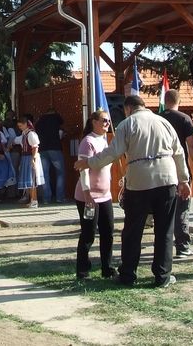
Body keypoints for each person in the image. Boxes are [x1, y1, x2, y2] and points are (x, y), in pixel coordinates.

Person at [75, 95, 191, 288]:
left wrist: (89, 162)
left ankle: (128, 275)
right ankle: (162, 276)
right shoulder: (163, 122)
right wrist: (184, 180)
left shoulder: (127, 124)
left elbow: (113, 153)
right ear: (144, 106)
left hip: (139, 181)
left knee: (132, 230)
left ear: (128, 109)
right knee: (164, 230)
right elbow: (178, 151)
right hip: (167, 179)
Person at [74, 110, 115, 280]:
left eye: (108, 121)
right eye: (104, 120)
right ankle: (82, 271)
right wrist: (87, 194)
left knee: (108, 232)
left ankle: (107, 268)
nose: (107, 123)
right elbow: (83, 169)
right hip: (88, 197)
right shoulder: (87, 142)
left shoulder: (104, 140)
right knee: (88, 234)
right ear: (94, 122)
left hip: (105, 196)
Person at [160, 89, 193, 257]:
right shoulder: (184, 119)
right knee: (182, 207)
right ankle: (182, 246)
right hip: (180, 168)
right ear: (179, 101)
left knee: (163, 210)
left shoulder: (158, 119)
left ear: (165, 101)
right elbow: (191, 145)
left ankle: (163, 247)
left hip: (161, 169)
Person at [35, 108, 66, 204]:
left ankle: (46, 198)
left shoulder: (40, 121)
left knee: (45, 174)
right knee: (60, 173)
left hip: (42, 149)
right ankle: (59, 197)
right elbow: (60, 132)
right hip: (55, 148)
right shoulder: (56, 119)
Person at [16, 114, 45, 208]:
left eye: (21, 126)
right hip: (25, 157)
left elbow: (35, 148)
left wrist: (33, 159)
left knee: (32, 179)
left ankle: (34, 201)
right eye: (19, 126)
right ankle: (32, 200)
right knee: (29, 180)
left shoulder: (31, 134)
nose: (20, 128)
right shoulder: (24, 134)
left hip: (30, 157)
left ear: (25, 124)